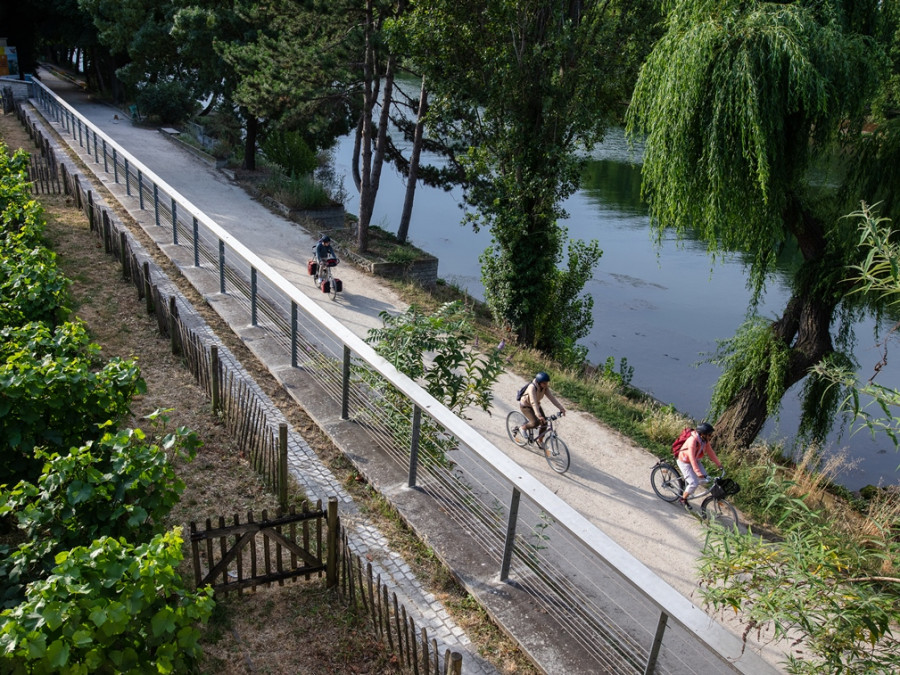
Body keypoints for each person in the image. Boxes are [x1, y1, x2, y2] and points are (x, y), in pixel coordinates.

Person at [675, 422, 722, 509]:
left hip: (695, 460)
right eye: (709, 434)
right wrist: (697, 472)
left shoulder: (704, 441)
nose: (710, 436)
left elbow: (711, 453)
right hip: (685, 461)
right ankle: (683, 499)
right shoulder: (692, 441)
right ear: (702, 434)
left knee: (705, 480)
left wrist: (719, 465)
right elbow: (691, 457)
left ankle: (688, 485)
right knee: (694, 483)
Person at [515, 372, 566, 448]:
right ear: (539, 383)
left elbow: (552, 398)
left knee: (544, 423)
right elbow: (533, 402)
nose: (546, 385)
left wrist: (561, 408)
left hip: (536, 405)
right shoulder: (532, 387)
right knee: (535, 423)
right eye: (544, 383)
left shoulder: (544, 387)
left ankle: (540, 441)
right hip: (526, 406)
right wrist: (538, 415)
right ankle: (523, 428)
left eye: (547, 383)